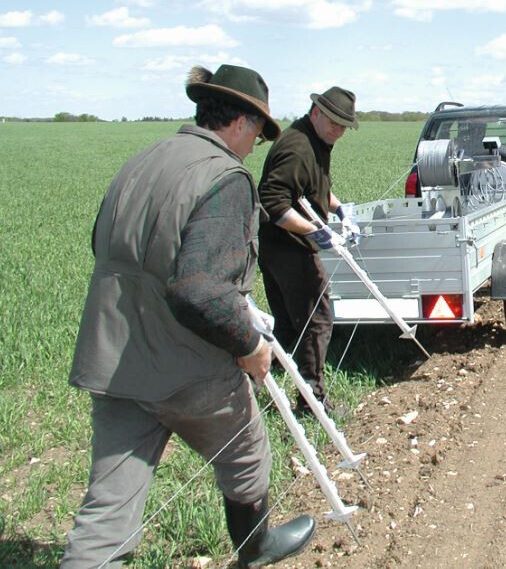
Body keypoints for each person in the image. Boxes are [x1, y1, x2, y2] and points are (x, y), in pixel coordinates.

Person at [62, 65, 315, 569]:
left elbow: (103, 246)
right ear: (241, 123)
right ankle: (256, 547)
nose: (254, 148)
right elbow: (199, 291)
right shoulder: (225, 177)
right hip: (187, 366)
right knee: (247, 453)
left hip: (114, 360)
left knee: (108, 507)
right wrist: (250, 345)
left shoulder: (142, 160)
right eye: (257, 135)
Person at [256, 87, 359, 415]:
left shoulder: (317, 140)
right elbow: (273, 202)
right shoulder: (298, 147)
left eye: (344, 126)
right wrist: (315, 231)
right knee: (318, 320)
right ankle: (312, 402)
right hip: (289, 247)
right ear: (316, 112)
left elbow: (314, 189)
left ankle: (257, 380)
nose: (338, 131)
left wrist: (340, 210)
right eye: (334, 123)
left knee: (288, 325)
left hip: (277, 246)